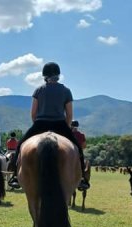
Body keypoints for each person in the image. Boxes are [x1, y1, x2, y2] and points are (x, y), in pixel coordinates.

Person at [8, 62, 90, 190]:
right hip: (60, 124)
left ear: (45, 76)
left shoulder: (39, 90)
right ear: (58, 75)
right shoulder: (66, 91)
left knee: (20, 145)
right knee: (78, 148)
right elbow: (69, 114)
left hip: (40, 123)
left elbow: (33, 113)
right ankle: (82, 178)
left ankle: (14, 176)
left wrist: (37, 124)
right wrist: (67, 128)